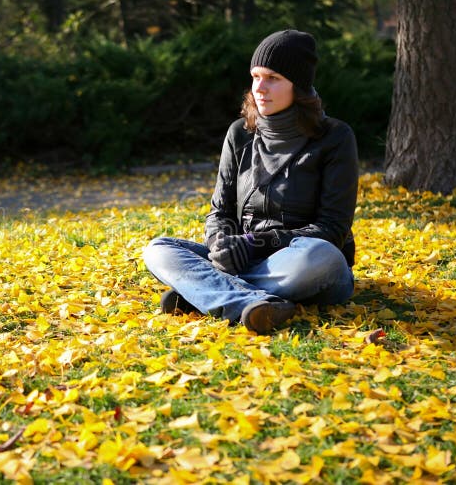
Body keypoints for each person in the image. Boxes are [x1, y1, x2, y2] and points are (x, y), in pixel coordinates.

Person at [143, 29, 358, 334]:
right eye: (256, 76)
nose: (260, 87)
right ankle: (251, 302)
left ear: (298, 87)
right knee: (158, 249)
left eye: (273, 78)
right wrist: (221, 244)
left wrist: (250, 244)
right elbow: (220, 211)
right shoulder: (239, 134)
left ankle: (205, 291)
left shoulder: (335, 138)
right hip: (240, 259)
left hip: (301, 265)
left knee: (320, 256)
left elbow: (332, 230)